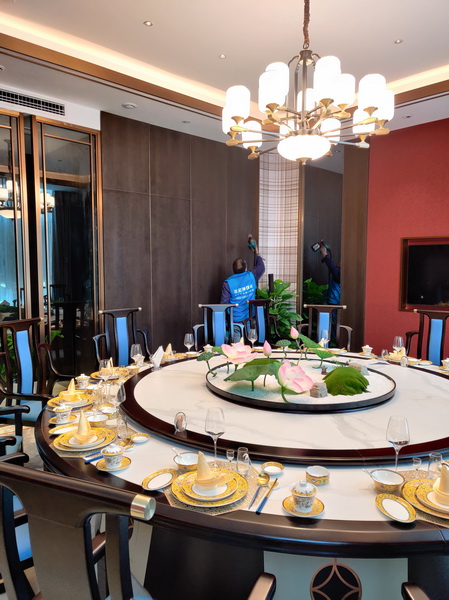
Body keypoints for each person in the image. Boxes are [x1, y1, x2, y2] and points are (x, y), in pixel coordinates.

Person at [221, 235, 265, 338]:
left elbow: (224, 305)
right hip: (250, 319)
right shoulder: (251, 276)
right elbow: (261, 267)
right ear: (245, 269)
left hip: (235, 322)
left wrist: (226, 324)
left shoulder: (228, 283)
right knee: (251, 344)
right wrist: (256, 252)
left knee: (237, 347)